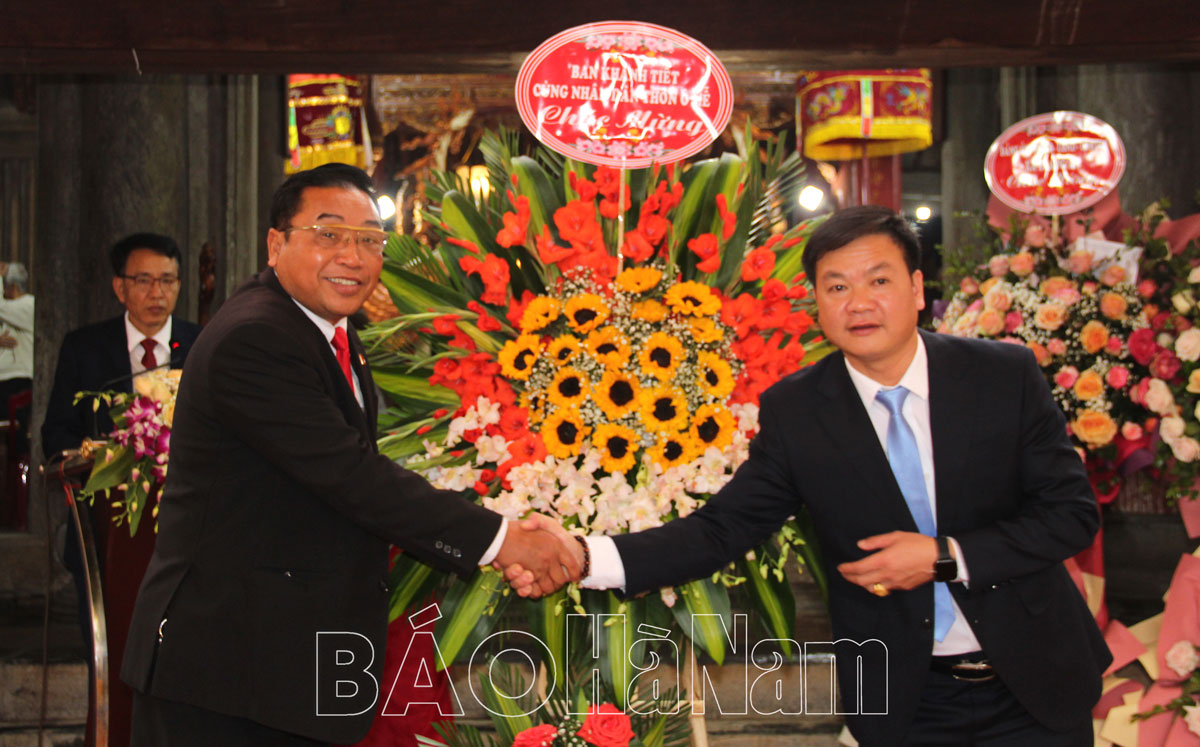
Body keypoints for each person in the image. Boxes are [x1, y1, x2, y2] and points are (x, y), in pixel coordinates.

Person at [510, 206, 1111, 745]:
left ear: (917, 288)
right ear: (817, 303)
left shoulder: (1001, 376)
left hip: (1034, 683)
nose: (859, 303)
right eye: (837, 286)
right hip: (907, 700)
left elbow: (1071, 515)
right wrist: (584, 557)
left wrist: (943, 557)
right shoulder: (799, 411)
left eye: (879, 281)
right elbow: (721, 529)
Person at [122, 163, 579, 746]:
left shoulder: (329, 331)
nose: (353, 256)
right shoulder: (255, 338)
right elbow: (353, 477)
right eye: (329, 234)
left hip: (277, 664)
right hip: (223, 671)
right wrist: (503, 540)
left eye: (369, 240)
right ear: (275, 244)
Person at [41, 233, 202, 459]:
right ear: (120, 288)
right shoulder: (83, 348)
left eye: (167, 281)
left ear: (179, 285)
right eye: (144, 281)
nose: (157, 293)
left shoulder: (201, 345)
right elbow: (56, 435)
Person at [0, 261, 34, 407]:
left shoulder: (28, 305)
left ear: (13, 287)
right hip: (4, 378)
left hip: (18, 378)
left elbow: (1, 307)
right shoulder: (9, 312)